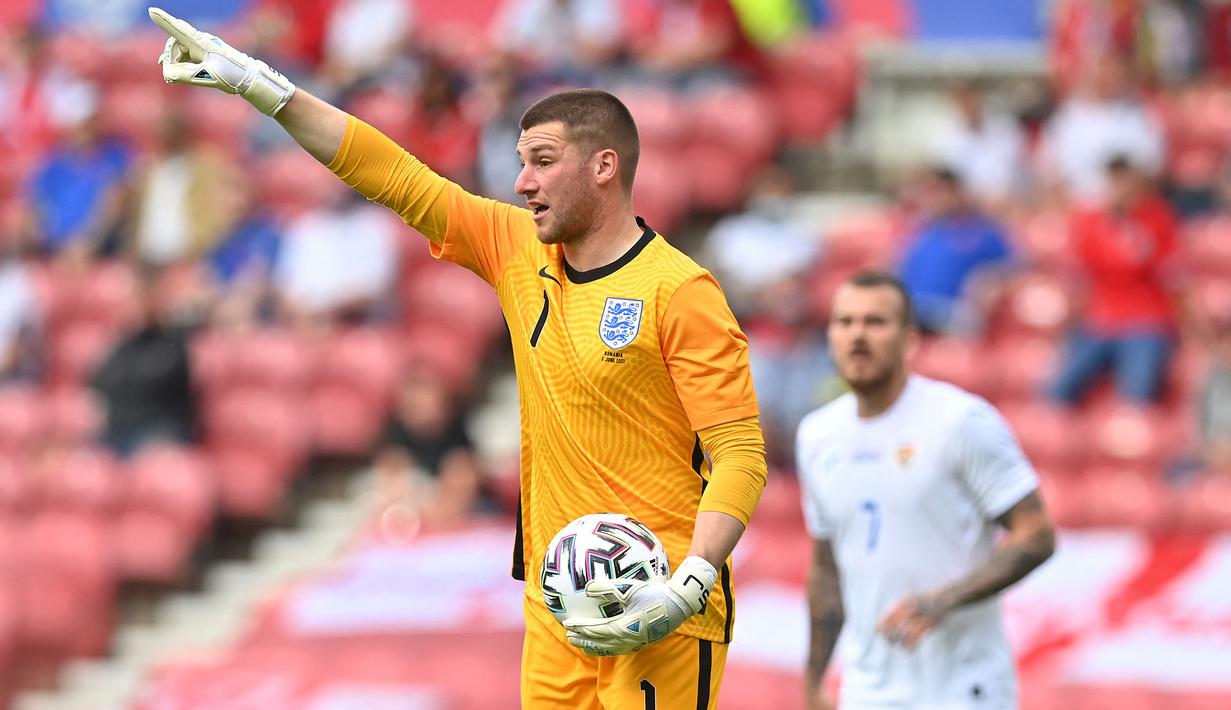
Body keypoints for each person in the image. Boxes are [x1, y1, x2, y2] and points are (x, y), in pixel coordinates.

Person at [147, 8, 767, 709]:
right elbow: (394, 176)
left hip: (657, 601)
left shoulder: (679, 292)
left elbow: (740, 453)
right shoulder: (514, 249)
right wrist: (265, 89)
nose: (522, 183)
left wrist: (689, 583)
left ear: (604, 167)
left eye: (541, 162)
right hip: (557, 600)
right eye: (518, 162)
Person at [796, 272, 1056, 710]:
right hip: (867, 688)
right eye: (845, 322)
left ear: (909, 339)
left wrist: (944, 600)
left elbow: (1037, 533)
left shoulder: (961, 422)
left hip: (961, 685)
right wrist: (813, 677)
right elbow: (826, 570)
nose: (858, 335)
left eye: (875, 322)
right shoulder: (817, 435)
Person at [1048, 156, 1180, 406]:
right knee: (1055, 391)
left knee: (1137, 397)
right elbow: (1079, 277)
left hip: (1146, 319)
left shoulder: (1157, 218)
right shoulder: (1090, 221)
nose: (1121, 189)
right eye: (1115, 182)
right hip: (1100, 319)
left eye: (1126, 182)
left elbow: (1173, 277)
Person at [897, 167, 1014, 335]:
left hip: (955, 313)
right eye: (928, 193)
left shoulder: (982, 230)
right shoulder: (921, 234)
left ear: (957, 193)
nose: (933, 199)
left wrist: (991, 276)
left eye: (939, 192)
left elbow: (1018, 265)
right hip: (916, 308)